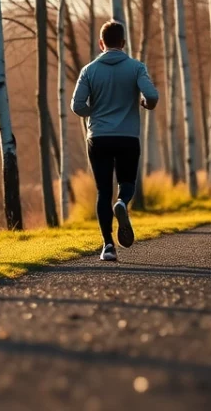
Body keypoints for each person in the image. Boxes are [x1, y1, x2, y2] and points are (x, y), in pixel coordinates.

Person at [71, 20, 159, 262]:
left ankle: (108, 246)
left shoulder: (88, 70)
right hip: (127, 137)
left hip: (99, 137)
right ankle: (122, 202)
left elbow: (77, 106)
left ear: (101, 43)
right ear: (123, 42)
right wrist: (146, 104)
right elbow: (152, 95)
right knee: (127, 182)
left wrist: (95, 112)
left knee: (103, 190)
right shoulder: (136, 68)